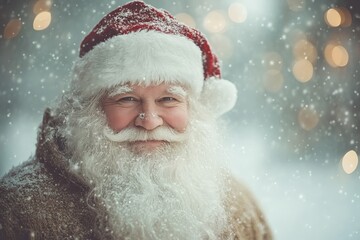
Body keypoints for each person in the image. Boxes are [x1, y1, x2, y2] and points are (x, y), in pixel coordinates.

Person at [0, 1, 272, 239]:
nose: (150, 121)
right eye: (126, 99)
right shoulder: (18, 209)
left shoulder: (237, 205)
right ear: (90, 110)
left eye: (168, 99)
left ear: (194, 110)